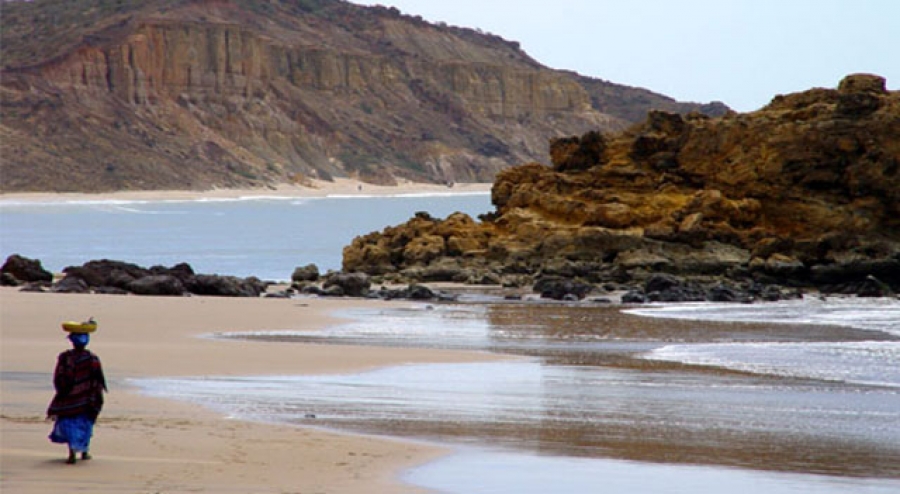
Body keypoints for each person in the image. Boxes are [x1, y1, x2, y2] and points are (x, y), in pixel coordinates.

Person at [47, 332, 107, 464]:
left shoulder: (66, 358)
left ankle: (72, 453)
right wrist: (95, 395)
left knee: (70, 424)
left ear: (72, 342)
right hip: (87, 398)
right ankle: (84, 452)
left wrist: (62, 391)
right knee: (86, 424)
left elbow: (60, 377)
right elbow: (98, 379)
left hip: (69, 398)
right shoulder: (92, 358)